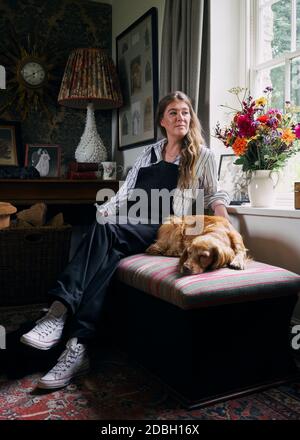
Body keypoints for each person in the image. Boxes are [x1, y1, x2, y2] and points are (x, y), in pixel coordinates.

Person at [20, 91, 230, 389]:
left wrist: (225, 227)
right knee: (107, 251)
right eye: (173, 112)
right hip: (138, 222)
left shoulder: (203, 155)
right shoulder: (149, 153)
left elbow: (214, 194)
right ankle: (78, 346)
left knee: (108, 232)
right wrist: (104, 211)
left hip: (175, 229)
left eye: (185, 112)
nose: (181, 117)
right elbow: (125, 193)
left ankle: (59, 310)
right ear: (162, 120)